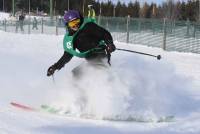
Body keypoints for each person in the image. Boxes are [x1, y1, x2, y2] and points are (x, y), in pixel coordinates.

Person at [47, 10, 116, 77]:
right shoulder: (70, 38)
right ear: (67, 25)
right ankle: (78, 88)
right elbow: (67, 55)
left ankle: (106, 84)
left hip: (100, 56)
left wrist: (110, 43)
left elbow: (104, 33)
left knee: (97, 72)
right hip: (90, 60)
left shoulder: (88, 26)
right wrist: (55, 66)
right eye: (72, 23)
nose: (76, 25)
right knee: (75, 74)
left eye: (77, 21)